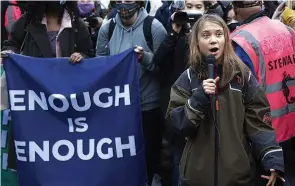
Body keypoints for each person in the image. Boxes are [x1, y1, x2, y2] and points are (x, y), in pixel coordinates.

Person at [167, 14, 285, 186]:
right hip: (197, 177)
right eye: (206, 35)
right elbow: (177, 126)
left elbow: (260, 123)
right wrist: (198, 99)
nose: (213, 40)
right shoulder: (187, 79)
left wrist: (272, 159)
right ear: (197, 43)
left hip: (237, 176)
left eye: (218, 34)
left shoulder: (243, 76)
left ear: (226, 39)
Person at [0, 0, 93, 173]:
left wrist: (81, 56)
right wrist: (10, 54)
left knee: (61, 151)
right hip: (35, 101)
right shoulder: (27, 22)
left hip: (65, 102)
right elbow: (12, 44)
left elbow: (89, 54)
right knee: (35, 153)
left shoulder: (77, 25)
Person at [96, 1, 167, 185]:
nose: (124, 6)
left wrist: (145, 59)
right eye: (119, 1)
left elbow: (166, 66)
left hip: (147, 106)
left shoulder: (154, 27)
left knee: (149, 156)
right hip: (119, 107)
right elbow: (99, 65)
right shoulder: (108, 29)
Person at [231, 1, 295, 185]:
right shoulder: (287, 30)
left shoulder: (240, 41)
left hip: (264, 134)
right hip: (291, 124)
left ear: (235, 11)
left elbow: (239, 95)